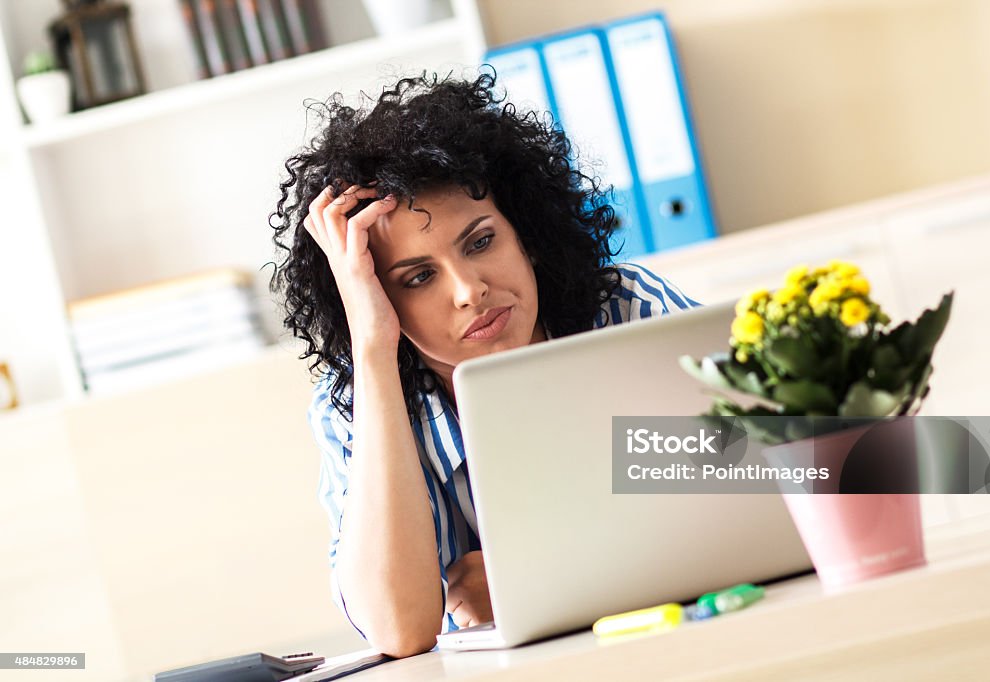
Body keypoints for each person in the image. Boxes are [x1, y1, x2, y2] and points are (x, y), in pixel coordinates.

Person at [268, 70, 701, 658]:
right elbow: (398, 627)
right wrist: (371, 347)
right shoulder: (353, 402)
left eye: (479, 242)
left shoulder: (625, 306)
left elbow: (794, 465)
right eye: (417, 278)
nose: (469, 290)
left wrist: (550, 572)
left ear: (524, 231)